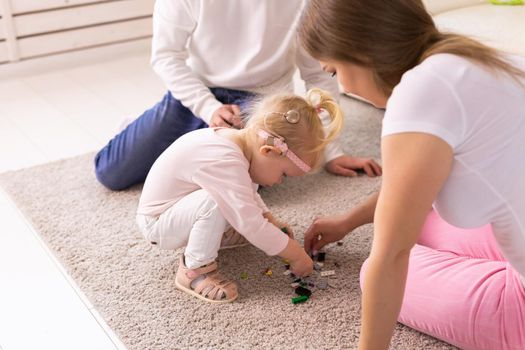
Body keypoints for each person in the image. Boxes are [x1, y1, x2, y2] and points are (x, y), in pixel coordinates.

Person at [298, 1, 525, 349]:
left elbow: (390, 258)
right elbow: (409, 188)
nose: (342, 84)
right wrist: (349, 221)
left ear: (359, 52)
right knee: (422, 221)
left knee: (375, 270)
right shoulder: (473, 58)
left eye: (333, 71)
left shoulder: (417, 96)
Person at [93, 0, 381, 191]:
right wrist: (207, 108)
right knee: (110, 173)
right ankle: (150, 126)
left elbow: (317, 76)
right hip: (199, 92)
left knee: (240, 188)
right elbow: (166, 57)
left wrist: (329, 148)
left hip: (263, 101)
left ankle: (188, 137)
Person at [136, 88, 343, 303]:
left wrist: (269, 219)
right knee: (216, 203)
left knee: (232, 202)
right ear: (268, 151)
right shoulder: (225, 160)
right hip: (158, 223)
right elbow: (250, 222)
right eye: (284, 174)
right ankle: (194, 269)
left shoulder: (240, 147)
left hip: (179, 211)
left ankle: (221, 233)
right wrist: (295, 254)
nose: (280, 182)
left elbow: (247, 195)